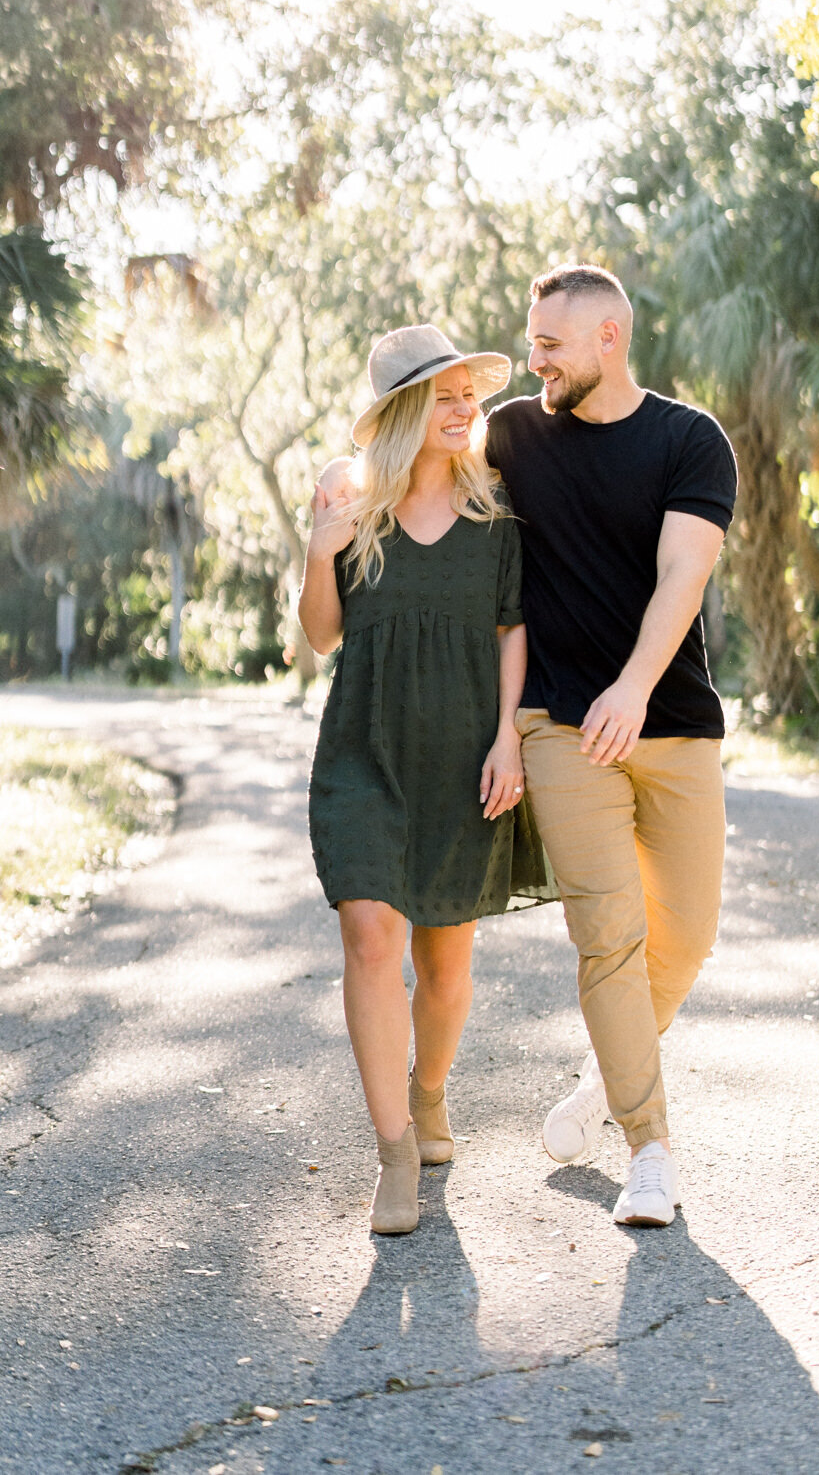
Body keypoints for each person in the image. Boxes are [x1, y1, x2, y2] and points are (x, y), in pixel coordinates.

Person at [485, 263, 738, 1229]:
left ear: (607, 340)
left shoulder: (688, 440)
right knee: (609, 936)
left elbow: (683, 572)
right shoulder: (512, 433)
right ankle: (649, 1151)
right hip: (558, 726)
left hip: (669, 720)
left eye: (549, 345)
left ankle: (604, 1082)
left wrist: (632, 687)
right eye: (532, 344)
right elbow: (432, 470)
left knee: (689, 937)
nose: (534, 360)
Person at [298, 324, 552, 1236]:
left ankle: (429, 1089)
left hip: (460, 758)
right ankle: (394, 1149)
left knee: (444, 967)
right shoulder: (354, 511)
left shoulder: (496, 516)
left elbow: (510, 632)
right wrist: (319, 548)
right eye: (442, 395)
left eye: (466, 395)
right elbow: (323, 633)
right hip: (363, 753)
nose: (462, 409)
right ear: (405, 411)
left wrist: (507, 740)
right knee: (369, 939)